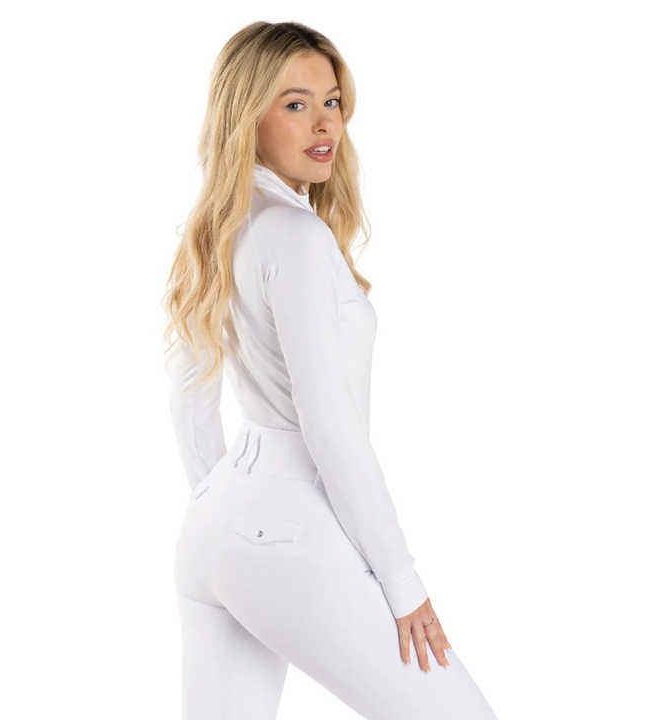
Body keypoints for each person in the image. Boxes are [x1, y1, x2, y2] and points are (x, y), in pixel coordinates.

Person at [163, 20, 499, 720]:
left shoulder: (220, 228)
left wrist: (226, 510)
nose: (325, 124)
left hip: (213, 530)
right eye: (295, 104)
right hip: (287, 525)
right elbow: (330, 428)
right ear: (246, 115)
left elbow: (189, 397)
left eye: (332, 101)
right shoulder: (295, 236)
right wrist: (403, 586)